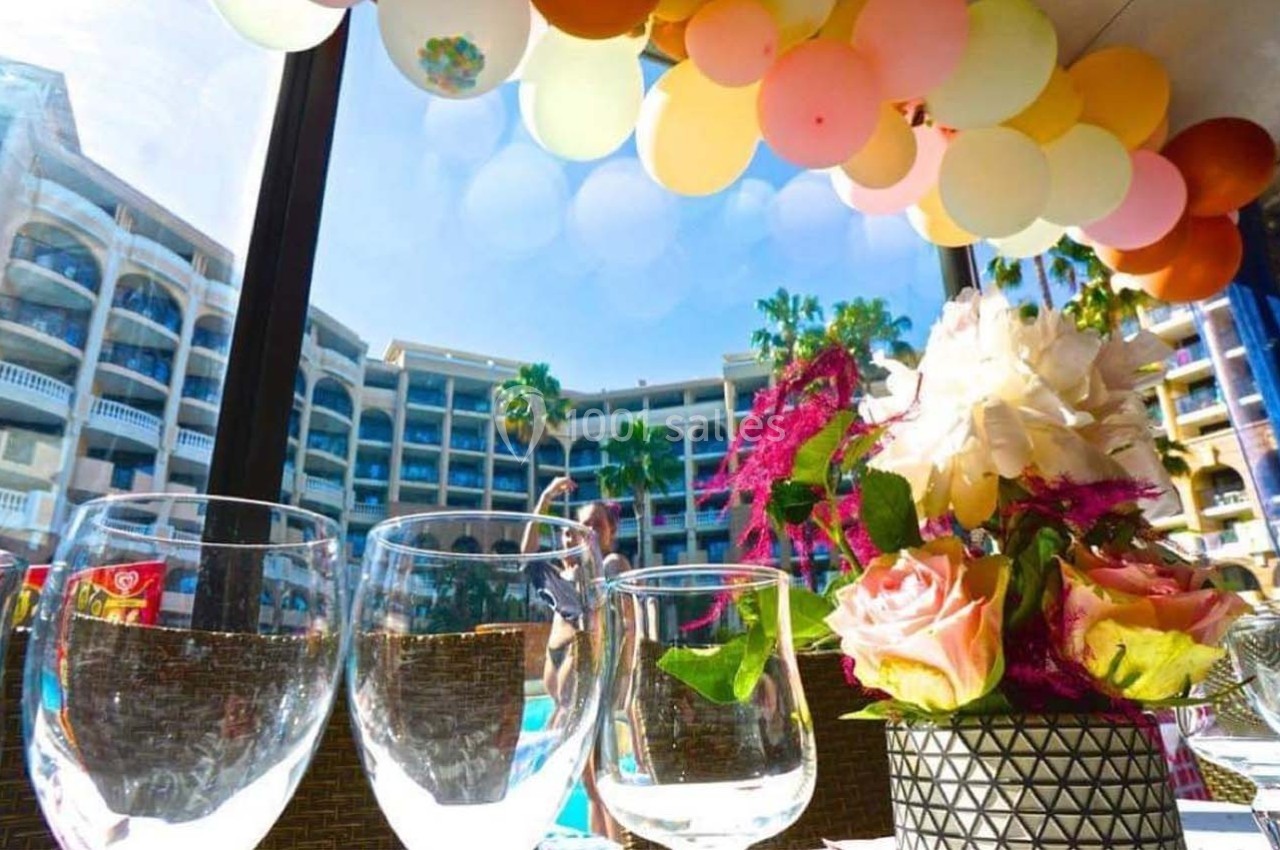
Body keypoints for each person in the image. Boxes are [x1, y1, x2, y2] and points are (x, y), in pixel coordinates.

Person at [522, 476, 630, 840]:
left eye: (595, 527)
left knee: (603, 785)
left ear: (610, 533)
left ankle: (618, 845)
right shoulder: (561, 578)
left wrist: (624, 680)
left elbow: (626, 621)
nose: (583, 534)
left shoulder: (608, 568)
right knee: (589, 787)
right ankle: (600, 844)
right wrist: (545, 498)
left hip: (588, 693)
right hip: (563, 699)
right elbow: (527, 557)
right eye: (577, 528)